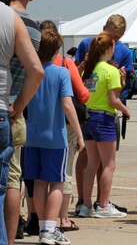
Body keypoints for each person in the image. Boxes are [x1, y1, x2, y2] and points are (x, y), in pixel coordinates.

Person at [23, 29, 83, 245]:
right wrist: (78, 133)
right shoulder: (61, 73)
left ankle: (42, 228)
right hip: (55, 138)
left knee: (38, 182)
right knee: (57, 183)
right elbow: (68, 104)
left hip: (32, 136)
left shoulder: (31, 72)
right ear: (57, 50)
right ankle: (50, 228)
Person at [5, 0, 45, 245]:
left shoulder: (5, 18)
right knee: (11, 180)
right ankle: (7, 236)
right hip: (13, 110)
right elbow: (36, 71)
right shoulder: (35, 29)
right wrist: (19, 105)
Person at [77, 33, 131, 218]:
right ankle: (104, 205)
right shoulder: (111, 71)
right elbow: (113, 99)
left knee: (92, 164)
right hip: (104, 118)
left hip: (88, 118)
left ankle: (86, 205)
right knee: (109, 164)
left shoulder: (88, 70)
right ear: (109, 49)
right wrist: (126, 110)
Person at [44, 21, 88, 234]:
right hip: (63, 126)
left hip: (39, 126)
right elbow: (82, 94)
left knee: (38, 176)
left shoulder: (32, 64)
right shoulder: (64, 64)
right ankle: (62, 218)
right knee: (64, 172)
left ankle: (39, 217)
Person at [73, 15, 134, 103]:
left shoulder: (125, 52)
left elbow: (119, 87)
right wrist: (83, 65)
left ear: (122, 34)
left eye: (116, 37)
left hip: (106, 105)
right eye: (109, 35)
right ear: (103, 28)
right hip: (83, 101)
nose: (111, 40)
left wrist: (122, 82)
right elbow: (74, 75)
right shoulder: (87, 44)